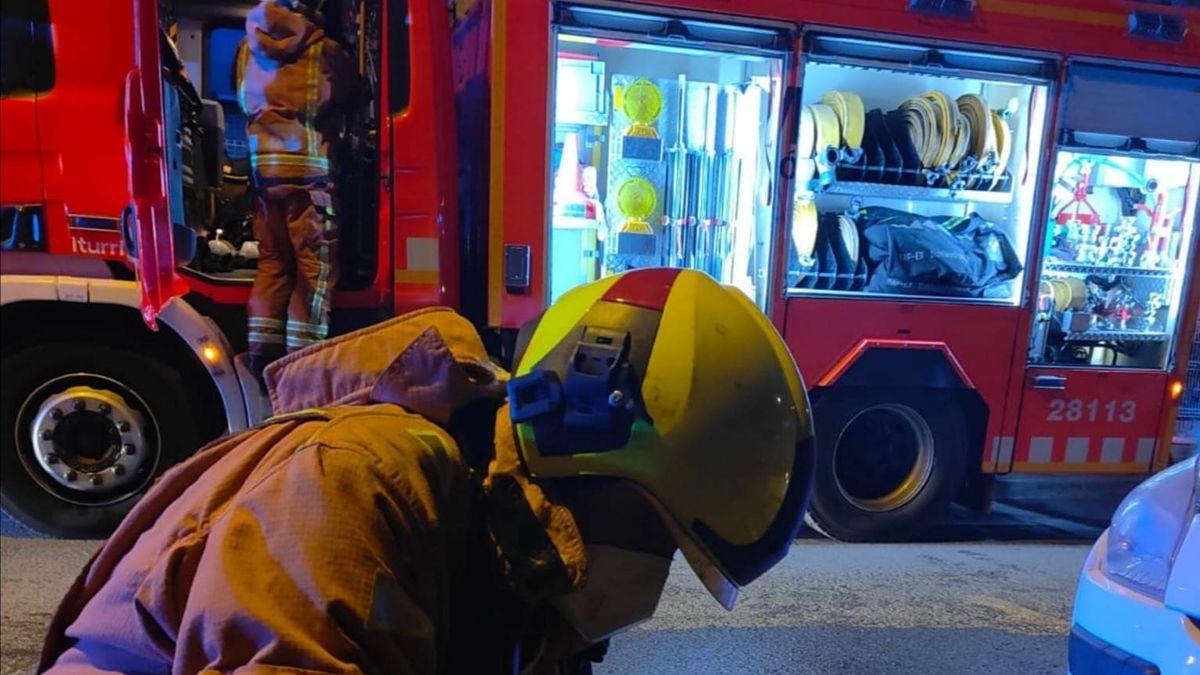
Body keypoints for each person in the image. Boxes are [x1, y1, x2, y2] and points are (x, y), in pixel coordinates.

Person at [38, 269, 815, 674]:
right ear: (582, 445)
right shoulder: (356, 483)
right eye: (655, 534)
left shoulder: (510, 551)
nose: (647, 580)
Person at [237, 0, 358, 374]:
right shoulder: (326, 50)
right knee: (313, 270)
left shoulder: (248, 47)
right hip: (309, 178)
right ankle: (301, 366)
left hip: (265, 175)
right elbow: (353, 95)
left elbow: (243, 99)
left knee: (273, 264)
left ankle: (262, 356)